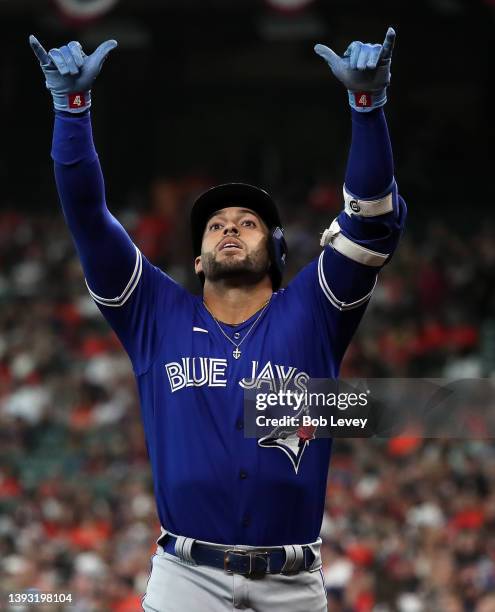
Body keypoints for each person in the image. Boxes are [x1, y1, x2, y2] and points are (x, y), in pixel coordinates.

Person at [29, 27, 406, 612]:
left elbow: (372, 222)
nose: (229, 226)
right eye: (215, 224)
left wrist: (367, 110)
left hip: (293, 582)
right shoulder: (154, 312)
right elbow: (87, 216)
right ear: (199, 258)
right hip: (187, 578)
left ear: (278, 252)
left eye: (248, 222)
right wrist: (72, 113)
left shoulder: (313, 310)